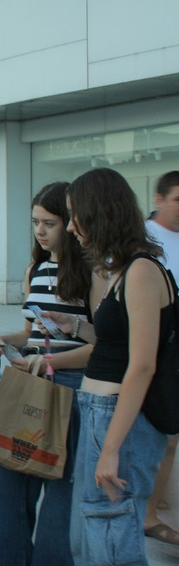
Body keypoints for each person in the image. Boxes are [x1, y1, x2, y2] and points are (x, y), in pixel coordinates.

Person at [47, 168, 170, 566]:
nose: (73, 227)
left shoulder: (141, 271)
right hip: (100, 415)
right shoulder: (121, 270)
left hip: (121, 422)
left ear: (101, 214)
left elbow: (142, 366)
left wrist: (112, 448)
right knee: (87, 542)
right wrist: (75, 328)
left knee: (112, 552)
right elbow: (113, 346)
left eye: (76, 216)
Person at [0, 182, 96, 566]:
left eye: (50, 223)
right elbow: (32, 333)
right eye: (35, 223)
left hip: (71, 394)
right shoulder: (36, 270)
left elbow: (99, 346)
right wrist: (5, 342)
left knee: (57, 519)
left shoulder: (91, 273)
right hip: (28, 386)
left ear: (71, 224)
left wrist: (49, 362)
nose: (41, 231)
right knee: (6, 501)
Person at [142, 170, 179, 546]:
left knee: (171, 436)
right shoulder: (144, 239)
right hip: (156, 345)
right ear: (159, 198)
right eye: (178, 199)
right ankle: (150, 513)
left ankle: (159, 500)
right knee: (164, 434)